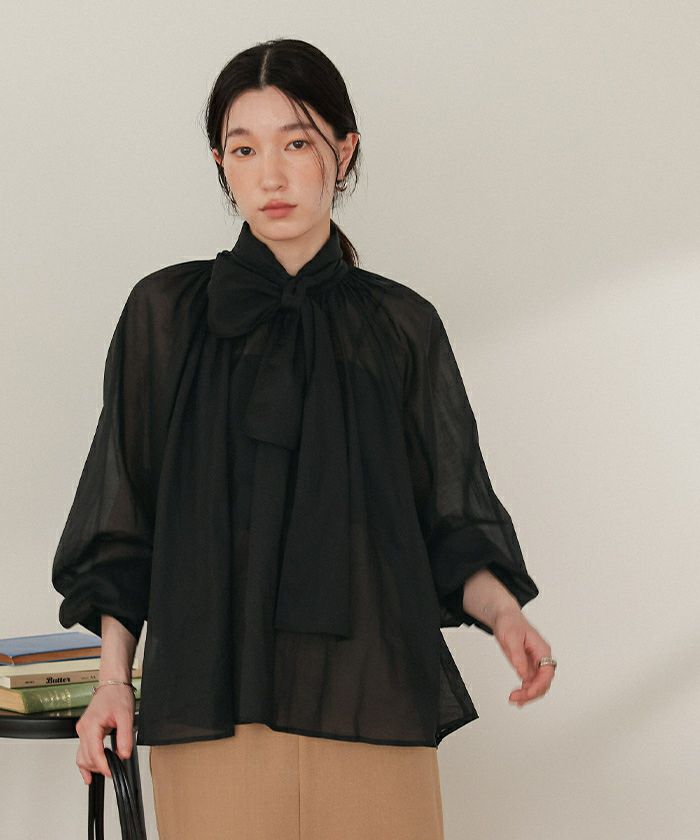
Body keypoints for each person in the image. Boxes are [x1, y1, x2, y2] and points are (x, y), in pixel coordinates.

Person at [51, 37, 556, 840]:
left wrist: (506, 618)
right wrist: (113, 681)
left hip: (371, 701)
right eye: (244, 149)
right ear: (220, 163)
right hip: (212, 701)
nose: (271, 176)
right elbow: (124, 524)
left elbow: (449, 522)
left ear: (343, 151)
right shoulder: (166, 315)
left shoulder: (401, 326)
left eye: (296, 143)